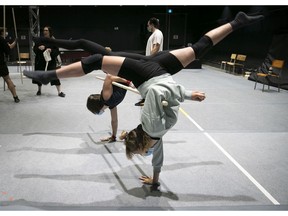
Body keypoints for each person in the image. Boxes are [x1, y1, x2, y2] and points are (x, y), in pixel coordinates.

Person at [24, 12, 264, 190]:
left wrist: (186, 95)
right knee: (98, 59)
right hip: (151, 72)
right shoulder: (151, 130)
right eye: (143, 153)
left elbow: (158, 153)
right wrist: (168, 95)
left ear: (146, 143)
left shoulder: (155, 134)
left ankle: (236, 23)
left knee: (198, 48)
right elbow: (160, 97)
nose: (147, 153)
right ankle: (49, 76)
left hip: (157, 70)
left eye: (144, 152)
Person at [31, 37, 135, 142]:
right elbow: (114, 120)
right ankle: (106, 53)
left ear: (97, 109)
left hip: (122, 68)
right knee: (98, 55)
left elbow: (109, 77)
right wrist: (113, 137)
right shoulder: (111, 105)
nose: (97, 114)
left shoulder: (106, 98)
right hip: (122, 69)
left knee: (93, 53)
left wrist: (128, 82)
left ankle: (48, 72)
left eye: (96, 112)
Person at [33, 26, 65, 97]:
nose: (45, 32)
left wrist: (51, 50)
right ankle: (39, 90)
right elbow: (34, 49)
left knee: (54, 76)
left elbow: (57, 51)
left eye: (46, 30)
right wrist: (38, 48)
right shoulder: (40, 40)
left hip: (50, 62)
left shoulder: (53, 40)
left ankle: (59, 92)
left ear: (50, 31)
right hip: (40, 61)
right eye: (44, 30)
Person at [0, 28, 20, 103]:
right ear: (2, 32)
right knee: (8, 79)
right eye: (5, 31)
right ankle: (15, 97)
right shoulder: (2, 40)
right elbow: (9, 49)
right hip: (1, 63)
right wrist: (15, 42)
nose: (6, 33)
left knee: (8, 80)